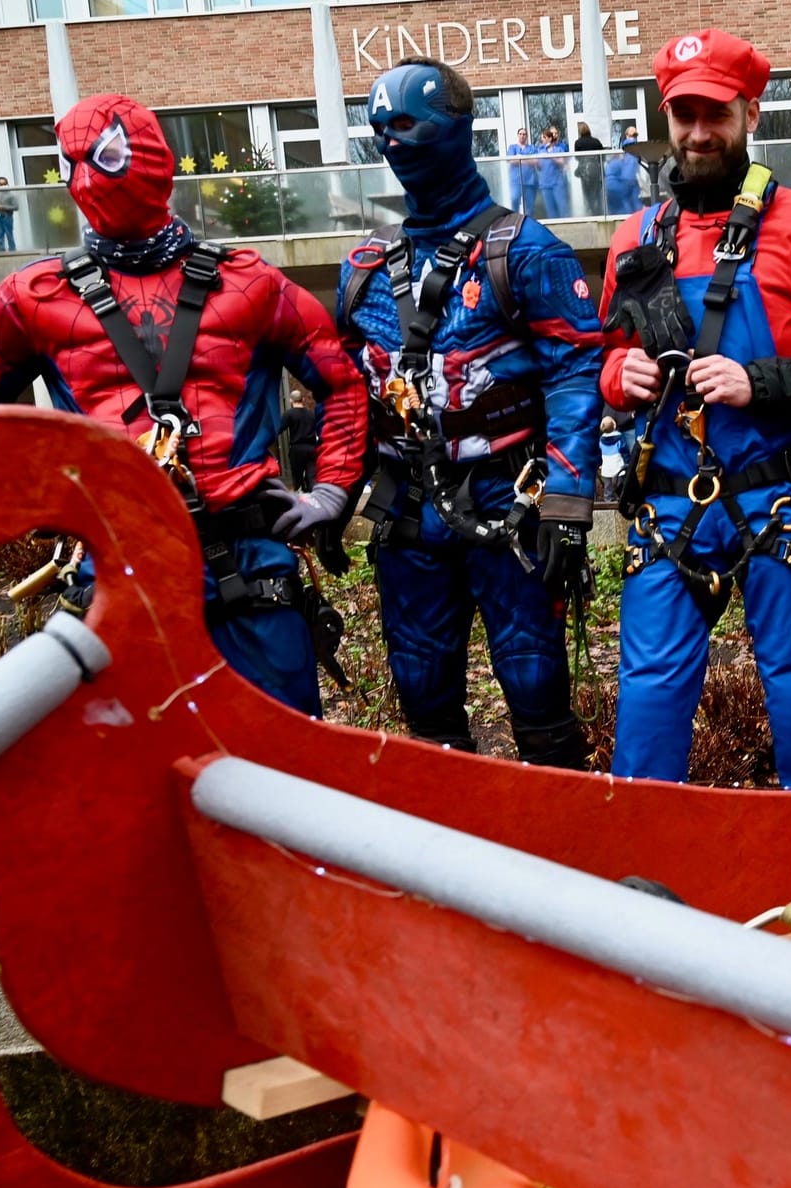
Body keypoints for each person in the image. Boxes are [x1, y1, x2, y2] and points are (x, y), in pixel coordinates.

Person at [0, 93, 366, 715]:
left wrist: (330, 493)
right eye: (72, 161)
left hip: (249, 566)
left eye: (106, 156)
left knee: (285, 770)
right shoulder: (30, 299)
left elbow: (343, 384)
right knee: (138, 773)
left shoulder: (249, 284)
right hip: (119, 570)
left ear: (151, 157)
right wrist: (46, 505)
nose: (87, 179)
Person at [599, 28, 791, 789]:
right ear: (667, 116)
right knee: (650, 694)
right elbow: (604, 355)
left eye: (715, 114)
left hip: (774, 495)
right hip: (665, 503)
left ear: (749, 113)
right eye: (684, 114)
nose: (699, 132)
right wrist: (615, 377)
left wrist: (759, 382)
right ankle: (641, 852)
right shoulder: (636, 236)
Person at [340, 59, 602, 766]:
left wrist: (569, 506)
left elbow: (578, 377)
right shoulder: (363, 267)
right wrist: (333, 495)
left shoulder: (526, 253)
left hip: (507, 506)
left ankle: (563, 841)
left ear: (457, 129)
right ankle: (449, 848)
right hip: (407, 511)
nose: (394, 143)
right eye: (379, 130)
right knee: (421, 686)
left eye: (408, 124)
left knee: (534, 679)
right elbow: (342, 390)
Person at [281, 387, 320, 487]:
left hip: (297, 448)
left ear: (290, 400)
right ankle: (314, 495)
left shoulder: (289, 414)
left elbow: (278, 429)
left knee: (297, 476)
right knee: (312, 476)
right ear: (302, 399)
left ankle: (300, 496)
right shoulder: (311, 414)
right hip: (312, 448)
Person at [573, 120, 606, 215]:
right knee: (597, 193)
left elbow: (577, 157)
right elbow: (603, 156)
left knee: (587, 194)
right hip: (596, 171)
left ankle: (591, 212)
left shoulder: (578, 143)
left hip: (585, 173)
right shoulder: (596, 141)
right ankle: (599, 212)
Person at [537, 125, 570, 218]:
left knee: (562, 207)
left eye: (545, 138)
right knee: (550, 210)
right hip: (545, 184)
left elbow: (563, 162)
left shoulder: (559, 149)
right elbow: (539, 167)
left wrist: (550, 155)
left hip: (557, 183)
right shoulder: (540, 151)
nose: (543, 140)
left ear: (549, 138)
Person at [605, 134, 642, 215]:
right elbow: (629, 177)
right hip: (622, 187)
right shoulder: (632, 157)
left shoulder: (615, 161)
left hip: (613, 189)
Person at [507, 127, 541, 216]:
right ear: (518, 135)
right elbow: (511, 161)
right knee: (514, 199)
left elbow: (536, 162)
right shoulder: (512, 147)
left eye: (524, 134)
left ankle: (528, 223)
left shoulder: (532, 148)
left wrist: (520, 158)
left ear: (527, 136)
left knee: (530, 206)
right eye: (520, 134)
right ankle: (515, 221)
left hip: (529, 181)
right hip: (516, 181)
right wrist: (528, 158)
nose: (522, 136)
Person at [0, 176, 17, 253]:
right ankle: (1, 250)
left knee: (9, 234)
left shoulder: (11, 195)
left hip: (7, 216)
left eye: (4, 184)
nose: (2, 186)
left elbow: (16, 207)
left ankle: (12, 250)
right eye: (0, 184)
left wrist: (2, 207)